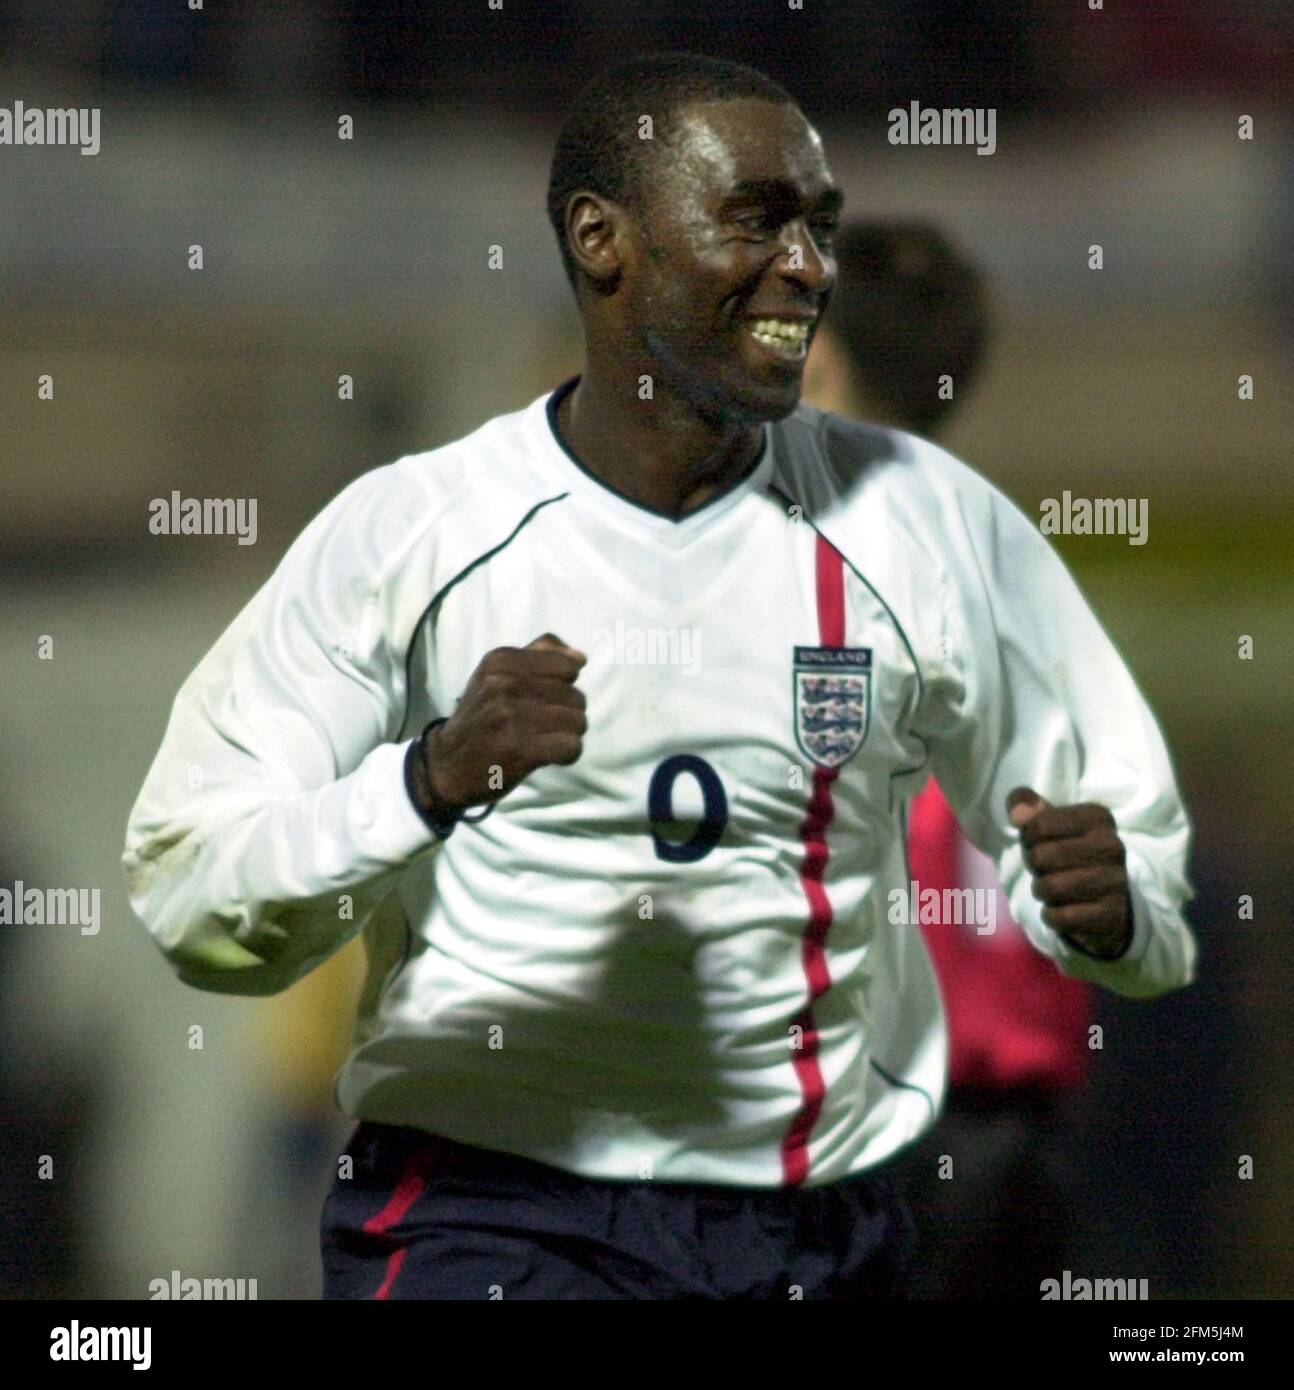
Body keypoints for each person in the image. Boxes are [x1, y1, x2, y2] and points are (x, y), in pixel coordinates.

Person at [123, 52, 1196, 1302]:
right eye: (757, 219)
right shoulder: (408, 532)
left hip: (815, 1228)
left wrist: (1116, 909)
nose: (806, 266)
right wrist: (420, 782)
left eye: (820, 227)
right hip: (489, 1213)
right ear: (600, 239)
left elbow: (1136, 865)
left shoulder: (930, 524)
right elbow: (192, 889)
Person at [803, 219, 1097, 1298]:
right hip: (1017, 1131)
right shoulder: (1013, 578)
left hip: (870, 1132)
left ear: (818, 360)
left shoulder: (812, 571)